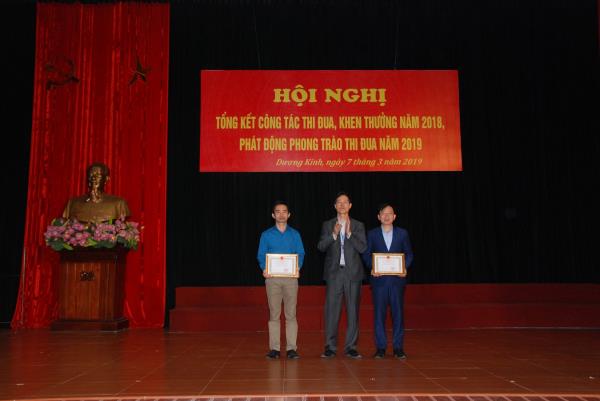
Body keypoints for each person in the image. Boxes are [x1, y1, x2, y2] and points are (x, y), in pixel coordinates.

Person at [317, 191, 367, 359]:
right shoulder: (328, 224)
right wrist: (334, 234)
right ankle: (330, 347)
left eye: (345, 202)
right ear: (335, 206)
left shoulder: (358, 225)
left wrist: (350, 234)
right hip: (334, 274)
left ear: (350, 205)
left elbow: (363, 248)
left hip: (353, 274)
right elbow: (321, 247)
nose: (342, 205)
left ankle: (351, 347)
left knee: (353, 311)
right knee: (331, 312)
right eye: (339, 202)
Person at [362, 203, 413, 359]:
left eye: (389, 213)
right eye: (383, 213)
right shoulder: (372, 234)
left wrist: (404, 267)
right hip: (379, 282)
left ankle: (398, 348)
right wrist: (372, 267)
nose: (386, 216)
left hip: (397, 281)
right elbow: (366, 254)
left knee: (398, 315)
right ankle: (381, 348)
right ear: (379, 217)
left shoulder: (402, 233)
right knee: (379, 315)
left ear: (394, 216)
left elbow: (409, 254)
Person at [257, 201, 305, 360]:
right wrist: (264, 268)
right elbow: (261, 255)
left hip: (291, 279)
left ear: (289, 215)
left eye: (284, 211)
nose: (281, 214)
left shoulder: (295, 234)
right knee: (274, 314)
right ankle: (275, 349)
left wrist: (297, 267)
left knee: (291, 314)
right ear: (273, 215)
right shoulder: (266, 235)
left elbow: (301, 253)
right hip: (273, 279)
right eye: (278, 211)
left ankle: (291, 348)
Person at [62, 162, 130, 223]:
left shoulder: (119, 203)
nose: (93, 178)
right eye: (91, 175)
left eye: (98, 175)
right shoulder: (73, 202)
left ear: (106, 179)